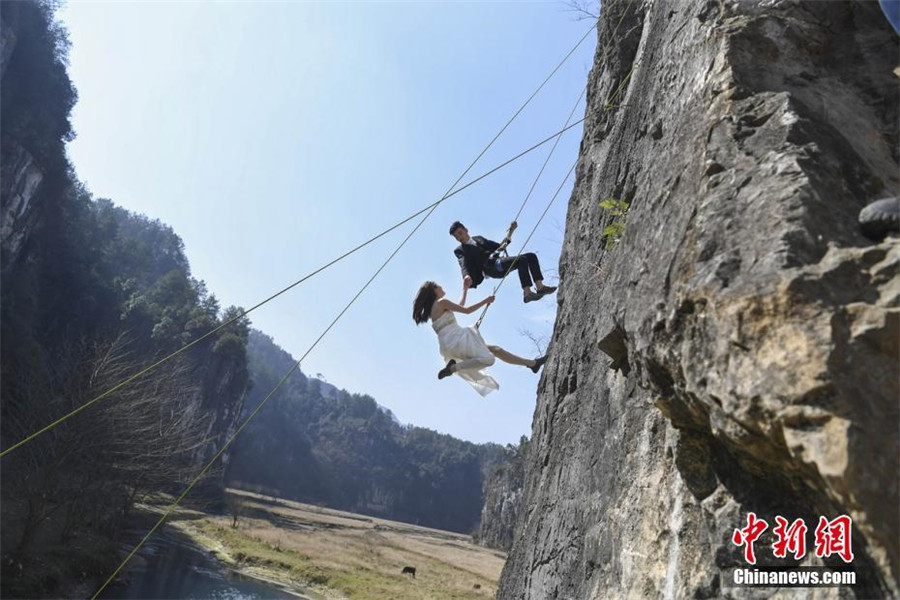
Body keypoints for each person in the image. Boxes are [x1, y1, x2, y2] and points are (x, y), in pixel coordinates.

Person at [412, 281, 547, 396]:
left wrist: (465, 289)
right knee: (489, 358)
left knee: (495, 350)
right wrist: (486, 301)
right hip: (458, 340)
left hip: (448, 346)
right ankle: (453, 368)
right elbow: (467, 310)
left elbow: (460, 306)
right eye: (439, 286)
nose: (442, 288)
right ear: (434, 290)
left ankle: (532, 364)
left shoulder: (433, 310)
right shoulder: (441, 302)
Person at [449, 220, 556, 303]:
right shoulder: (460, 250)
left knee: (531, 256)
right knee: (521, 260)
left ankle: (540, 286)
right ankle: (527, 293)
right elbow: (463, 264)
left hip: (499, 261)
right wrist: (466, 276)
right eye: (456, 237)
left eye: (460, 233)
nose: (460, 237)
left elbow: (499, 246)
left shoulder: (478, 238)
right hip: (491, 268)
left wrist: (511, 231)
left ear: (466, 230)